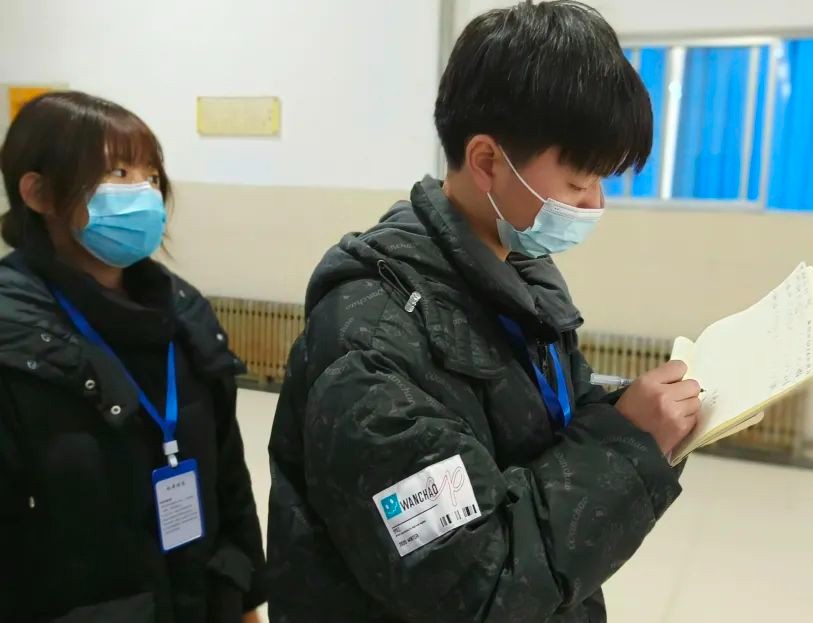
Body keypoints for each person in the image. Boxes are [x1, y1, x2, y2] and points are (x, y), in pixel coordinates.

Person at [266, 2, 701, 621]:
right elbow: (480, 583)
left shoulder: (516, 277)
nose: (595, 205)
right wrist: (628, 447)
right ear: (488, 161)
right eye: (579, 183)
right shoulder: (370, 347)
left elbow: (542, 430)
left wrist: (633, 413)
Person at [0, 91, 266, 623]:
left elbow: (229, 476)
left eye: (151, 174)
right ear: (39, 193)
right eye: (118, 172)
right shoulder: (13, 338)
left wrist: (243, 595)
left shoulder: (184, 312)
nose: (143, 191)